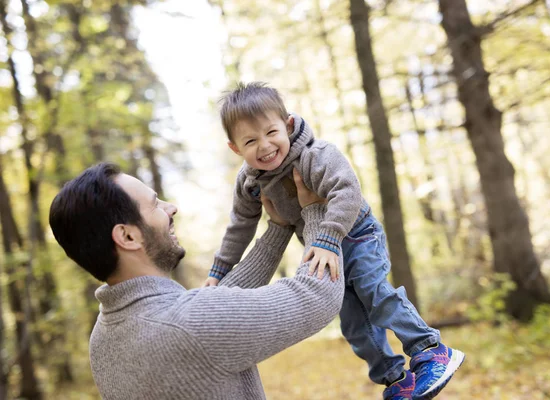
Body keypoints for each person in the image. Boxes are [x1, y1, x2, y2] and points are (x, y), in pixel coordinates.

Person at [205, 82, 465, 400]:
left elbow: (347, 190)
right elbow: (240, 225)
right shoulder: (249, 184)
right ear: (235, 148)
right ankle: (397, 380)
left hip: (357, 235)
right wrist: (220, 270)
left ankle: (430, 349)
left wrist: (329, 237)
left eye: (271, 132)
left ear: (287, 125)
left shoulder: (315, 155)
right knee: (354, 324)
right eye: (250, 140)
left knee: (373, 291)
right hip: (325, 251)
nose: (265, 146)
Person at [48, 162, 344, 400]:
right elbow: (318, 297)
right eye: (154, 205)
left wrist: (278, 229)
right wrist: (316, 209)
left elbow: (213, 309)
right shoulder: (186, 325)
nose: (171, 207)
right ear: (127, 236)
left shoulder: (104, 337)